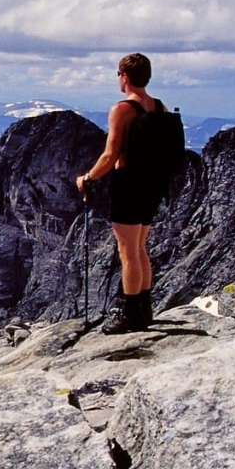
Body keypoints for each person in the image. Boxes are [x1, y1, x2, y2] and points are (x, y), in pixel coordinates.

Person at [75, 53, 166, 334]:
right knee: (139, 247)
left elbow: (110, 154)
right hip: (152, 183)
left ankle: (130, 315)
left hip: (128, 184)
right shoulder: (158, 107)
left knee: (127, 251)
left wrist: (87, 178)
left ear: (125, 77)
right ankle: (145, 308)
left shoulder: (123, 109)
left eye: (118, 74)